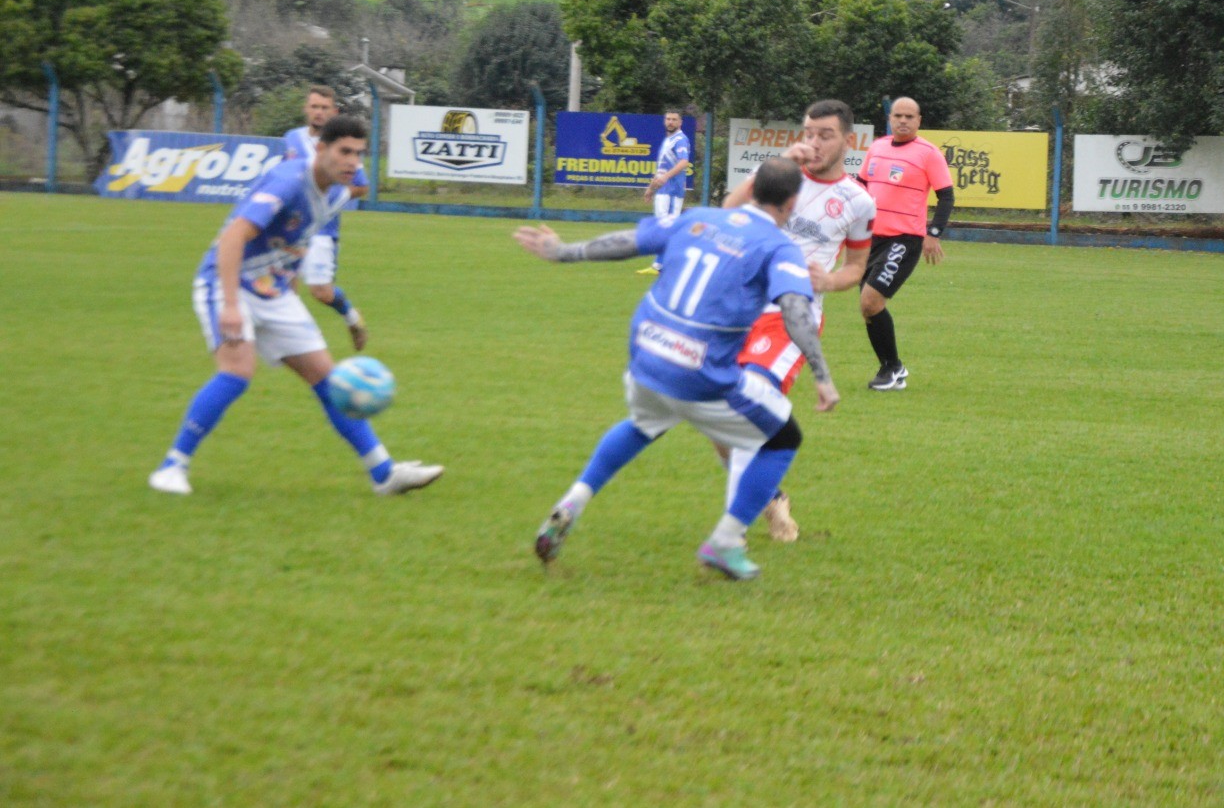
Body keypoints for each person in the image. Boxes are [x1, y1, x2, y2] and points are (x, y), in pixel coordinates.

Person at [515, 158, 840, 581]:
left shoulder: (699, 218)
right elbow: (796, 309)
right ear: (793, 201)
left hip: (647, 355)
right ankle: (725, 542)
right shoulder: (780, 248)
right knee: (783, 439)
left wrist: (563, 252)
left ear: (752, 186)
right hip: (699, 372)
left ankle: (572, 502)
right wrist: (822, 375)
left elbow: (628, 241)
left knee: (643, 423)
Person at [148, 115, 443, 497]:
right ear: (320, 149)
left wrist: (288, 279)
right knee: (237, 372)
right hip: (227, 282)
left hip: (274, 292)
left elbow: (296, 237)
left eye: (358, 154)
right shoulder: (288, 181)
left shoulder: (337, 194)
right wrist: (232, 306)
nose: (353, 162)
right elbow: (233, 236)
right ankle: (172, 466)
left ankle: (384, 475)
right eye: (344, 152)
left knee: (329, 380)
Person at [715, 99, 875, 542]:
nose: (815, 142)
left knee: (743, 408)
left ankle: (731, 535)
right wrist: (781, 161)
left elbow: (857, 268)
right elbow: (728, 212)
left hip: (791, 316)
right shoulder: (780, 174)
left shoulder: (857, 201)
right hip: (739, 306)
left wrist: (828, 281)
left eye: (825, 134)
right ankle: (769, 497)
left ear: (848, 140)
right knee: (718, 421)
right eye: (809, 132)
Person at [855, 96, 954, 390]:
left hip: (904, 239)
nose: (903, 121)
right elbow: (861, 186)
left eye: (909, 116)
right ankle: (891, 368)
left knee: (870, 301)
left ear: (919, 120)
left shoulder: (928, 153)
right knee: (868, 308)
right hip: (871, 238)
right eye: (898, 115)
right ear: (890, 118)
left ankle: (893, 368)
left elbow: (946, 195)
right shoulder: (877, 147)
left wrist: (933, 233)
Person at [284, 85, 369, 350]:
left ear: (333, 111)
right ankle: (295, 339)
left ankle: (352, 317)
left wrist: (329, 200)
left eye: (324, 108)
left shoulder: (342, 146)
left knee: (320, 291)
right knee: (285, 284)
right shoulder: (291, 139)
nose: (319, 113)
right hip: (292, 227)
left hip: (322, 229)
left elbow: (362, 186)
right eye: (314, 107)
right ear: (305, 109)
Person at [637, 109, 692, 274]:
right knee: (663, 226)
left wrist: (666, 177)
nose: (670, 122)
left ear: (680, 122)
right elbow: (661, 168)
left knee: (667, 227)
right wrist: (651, 188)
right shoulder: (668, 141)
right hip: (663, 190)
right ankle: (662, 265)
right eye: (668, 119)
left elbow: (683, 162)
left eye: (674, 119)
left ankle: (663, 265)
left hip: (672, 190)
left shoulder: (680, 140)